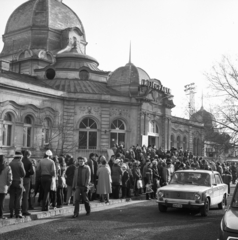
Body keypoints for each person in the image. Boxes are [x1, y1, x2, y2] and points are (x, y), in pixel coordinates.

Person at [9, 151, 25, 218]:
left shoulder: (10, 163)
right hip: (19, 182)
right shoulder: (20, 163)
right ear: (20, 157)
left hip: (12, 182)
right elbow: (23, 174)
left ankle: (11, 213)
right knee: (18, 198)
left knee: (12, 198)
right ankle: (18, 213)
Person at [22, 150, 35, 216]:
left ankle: (18, 209)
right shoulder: (30, 161)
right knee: (25, 195)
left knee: (19, 195)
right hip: (27, 178)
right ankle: (25, 210)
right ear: (28, 155)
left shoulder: (21, 160)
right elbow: (32, 172)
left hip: (20, 179)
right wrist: (29, 172)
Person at [0, 154, 12, 219]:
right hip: (3, 187)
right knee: (1, 202)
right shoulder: (7, 167)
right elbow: (10, 179)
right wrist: (8, 186)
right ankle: (1, 215)